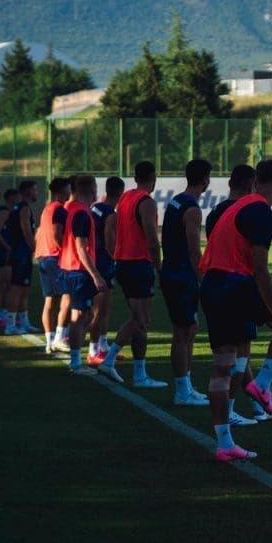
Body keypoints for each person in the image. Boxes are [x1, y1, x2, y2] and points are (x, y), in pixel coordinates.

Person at [198, 160, 272, 462]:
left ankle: (225, 442)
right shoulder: (261, 212)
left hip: (213, 285)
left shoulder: (234, 207)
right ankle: (263, 384)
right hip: (234, 285)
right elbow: (260, 270)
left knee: (225, 364)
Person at [205, 164, 271, 426]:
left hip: (219, 284)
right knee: (238, 351)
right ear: (252, 184)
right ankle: (236, 406)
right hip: (237, 285)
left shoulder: (216, 212)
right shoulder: (247, 210)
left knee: (234, 352)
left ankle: (253, 404)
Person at [97, 161, 166, 388]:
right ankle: (109, 360)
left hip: (124, 264)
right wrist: (159, 266)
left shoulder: (126, 198)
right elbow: (151, 237)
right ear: (153, 178)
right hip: (138, 264)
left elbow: (114, 228)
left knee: (141, 323)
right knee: (140, 319)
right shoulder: (146, 202)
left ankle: (140, 375)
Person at [161, 158, 212, 406]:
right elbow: (194, 249)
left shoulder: (176, 200)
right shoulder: (192, 208)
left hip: (173, 272)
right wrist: (203, 279)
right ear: (205, 180)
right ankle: (182, 390)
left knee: (190, 329)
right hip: (182, 275)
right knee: (183, 331)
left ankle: (187, 386)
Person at [58, 175, 109, 375]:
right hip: (78, 270)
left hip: (72, 268)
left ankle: (76, 355)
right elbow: (81, 248)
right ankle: (76, 363)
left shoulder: (72, 209)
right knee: (79, 316)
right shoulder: (80, 213)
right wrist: (96, 275)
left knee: (84, 314)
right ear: (91, 189)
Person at [86, 176, 123, 365]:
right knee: (100, 308)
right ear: (120, 193)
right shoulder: (110, 213)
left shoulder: (95, 206)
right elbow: (109, 238)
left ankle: (103, 346)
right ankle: (93, 350)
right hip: (103, 263)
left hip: (94, 259)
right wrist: (116, 257)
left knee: (104, 308)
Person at [34, 178, 72, 353]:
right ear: (61, 191)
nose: (69, 192)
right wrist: (65, 250)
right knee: (67, 297)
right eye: (67, 189)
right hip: (54, 257)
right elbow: (57, 234)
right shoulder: (59, 209)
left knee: (50, 300)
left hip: (44, 257)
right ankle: (59, 337)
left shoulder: (47, 208)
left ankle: (50, 341)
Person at [5, 180, 39, 335]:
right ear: (27, 191)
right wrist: (35, 249)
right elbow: (26, 231)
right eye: (35, 190)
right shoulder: (24, 208)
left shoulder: (19, 207)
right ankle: (10, 325)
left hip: (21, 253)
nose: (36, 193)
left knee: (24, 289)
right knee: (16, 289)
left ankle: (24, 322)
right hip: (21, 253)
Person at [0, 188, 17, 332]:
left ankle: (3, 313)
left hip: (1, 250)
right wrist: (6, 247)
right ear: (12, 198)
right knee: (2, 283)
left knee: (7, 284)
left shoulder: (3, 210)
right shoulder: (5, 211)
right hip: (2, 252)